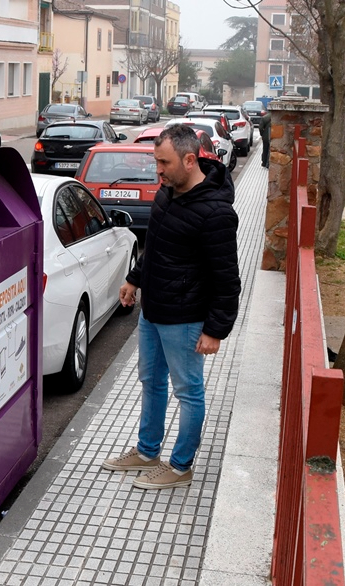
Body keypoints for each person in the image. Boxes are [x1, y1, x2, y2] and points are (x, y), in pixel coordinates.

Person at [101, 124, 241, 490]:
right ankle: (148, 451)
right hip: (153, 312)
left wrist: (215, 330)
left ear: (190, 159)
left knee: (188, 392)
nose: (157, 171)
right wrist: (134, 279)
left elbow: (227, 279)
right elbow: (157, 248)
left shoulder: (216, 214)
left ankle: (180, 466)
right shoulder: (167, 193)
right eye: (156, 162)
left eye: (163, 162)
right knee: (151, 381)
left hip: (186, 321)